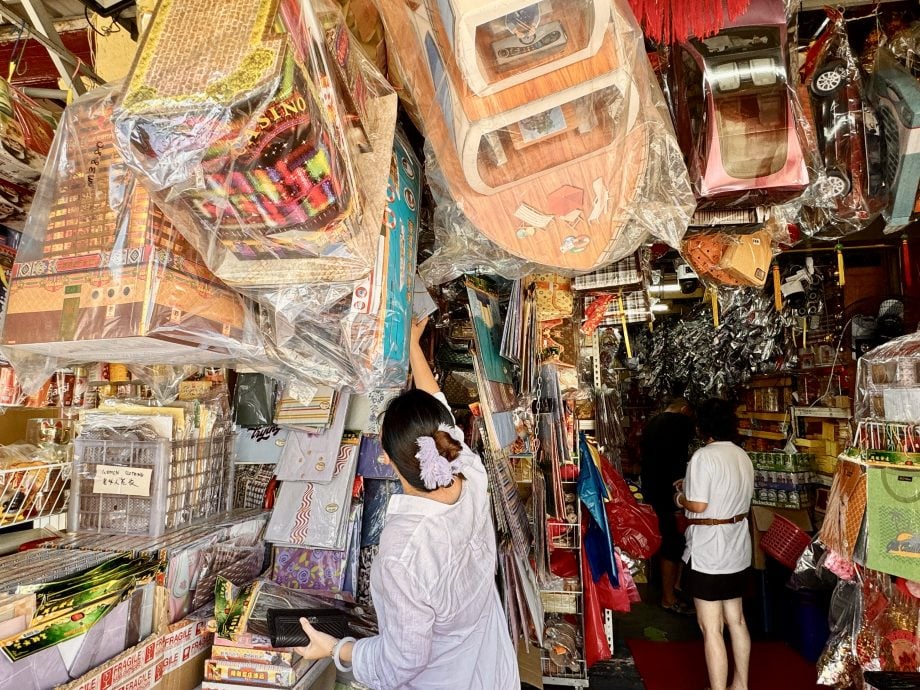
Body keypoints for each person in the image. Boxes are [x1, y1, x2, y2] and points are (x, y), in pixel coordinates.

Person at [294, 316, 520, 689]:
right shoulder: (469, 471)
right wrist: (414, 347)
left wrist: (336, 648)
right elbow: (439, 413)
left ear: (386, 459)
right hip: (491, 664)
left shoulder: (404, 551)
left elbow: (403, 661)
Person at [674, 398, 754, 690]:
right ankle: (741, 685)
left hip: (709, 550)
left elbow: (698, 503)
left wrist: (680, 497)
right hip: (737, 547)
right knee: (737, 620)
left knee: (711, 628)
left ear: (701, 426)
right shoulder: (742, 456)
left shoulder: (703, 457)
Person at [640, 395, 695, 614]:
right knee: (672, 544)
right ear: (685, 410)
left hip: (653, 490)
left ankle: (673, 589)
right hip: (671, 492)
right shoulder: (680, 424)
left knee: (665, 540)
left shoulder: (653, 422)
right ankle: (669, 596)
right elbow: (681, 460)